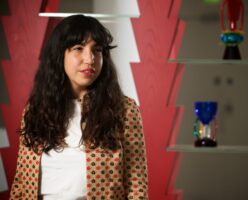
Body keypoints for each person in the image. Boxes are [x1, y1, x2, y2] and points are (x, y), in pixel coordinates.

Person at [9, 14, 148, 200]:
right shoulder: (36, 109)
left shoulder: (124, 110)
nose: (89, 58)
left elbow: (136, 184)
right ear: (60, 55)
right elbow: (20, 184)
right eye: (78, 48)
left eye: (96, 50)